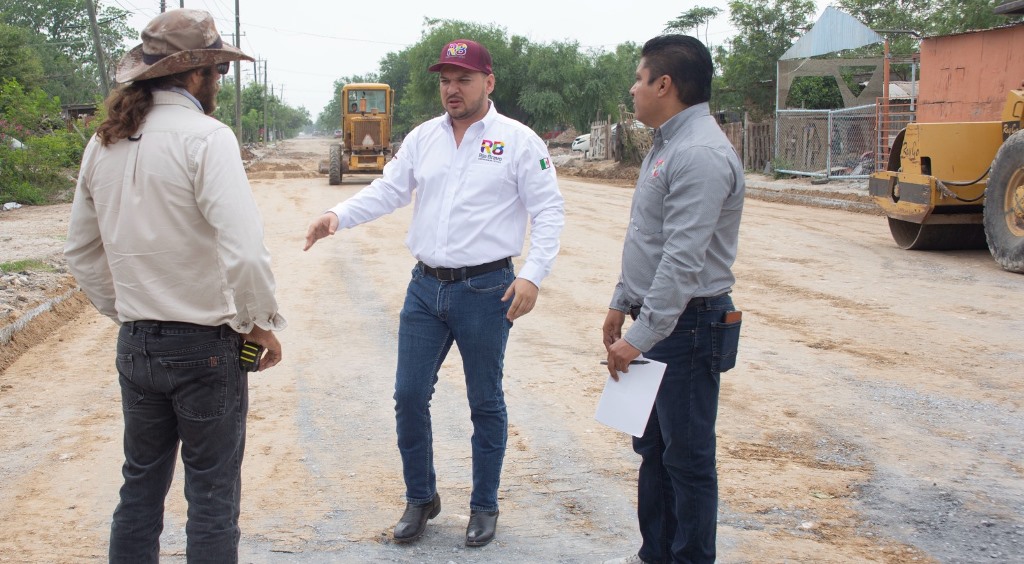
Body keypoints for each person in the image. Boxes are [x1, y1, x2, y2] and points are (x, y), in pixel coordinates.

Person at [304, 38, 564, 547]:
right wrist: (338, 216)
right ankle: (421, 497)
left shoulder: (518, 140)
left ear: (488, 82)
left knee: (485, 400)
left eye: (463, 79)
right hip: (425, 288)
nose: (452, 88)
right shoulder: (424, 137)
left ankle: (484, 505)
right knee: (407, 395)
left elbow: (549, 211)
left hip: (489, 289)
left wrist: (532, 274)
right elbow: (389, 190)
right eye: (445, 80)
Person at [63, 9, 286, 563]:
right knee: (211, 496)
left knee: (139, 488)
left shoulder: (104, 142)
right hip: (206, 348)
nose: (218, 83)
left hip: (138, 343)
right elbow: (245, 251)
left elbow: (82, 252)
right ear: (195, 75)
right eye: (218, 72)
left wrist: (126, 310)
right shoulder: (207, 138)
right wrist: (260, 324)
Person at [602, 34, 744, 564]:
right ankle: (654, 555)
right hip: (661, 322)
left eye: (639, 79)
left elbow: (683, 262)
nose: (634, 89)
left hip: (686, 326)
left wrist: (639, 337)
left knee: (687, 458)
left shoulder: (701, 154)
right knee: (654, 451)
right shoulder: (667, 145)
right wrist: (622, 301)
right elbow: (649, 238)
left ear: (665, 85)